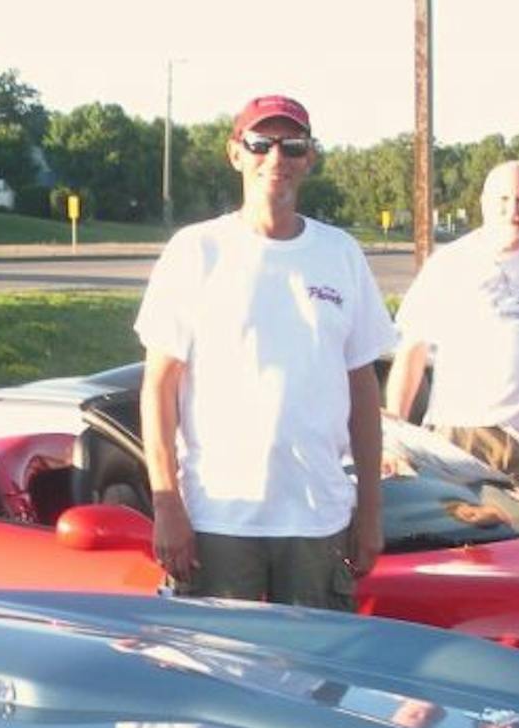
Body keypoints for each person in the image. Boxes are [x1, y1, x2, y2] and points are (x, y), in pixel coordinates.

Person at [135, 93, 398, 609]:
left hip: (318, 521)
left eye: (292, 146)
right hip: (220, 519)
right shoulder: (196, 251)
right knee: (218, 681)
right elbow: (158, 388)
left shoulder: (340, 254)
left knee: (317, 685)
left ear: (310, 158)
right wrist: (167, 503)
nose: (276, 158)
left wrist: (369, 509)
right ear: (236, 153)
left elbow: (363, 391)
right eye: (261, 143)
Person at [385, 160, 519, 496]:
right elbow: (411, 354)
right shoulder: (449, 263)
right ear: (484, 203)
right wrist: (394, 436)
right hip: (460, 434)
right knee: (463, 546)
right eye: (503, 199)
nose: (512, 210)